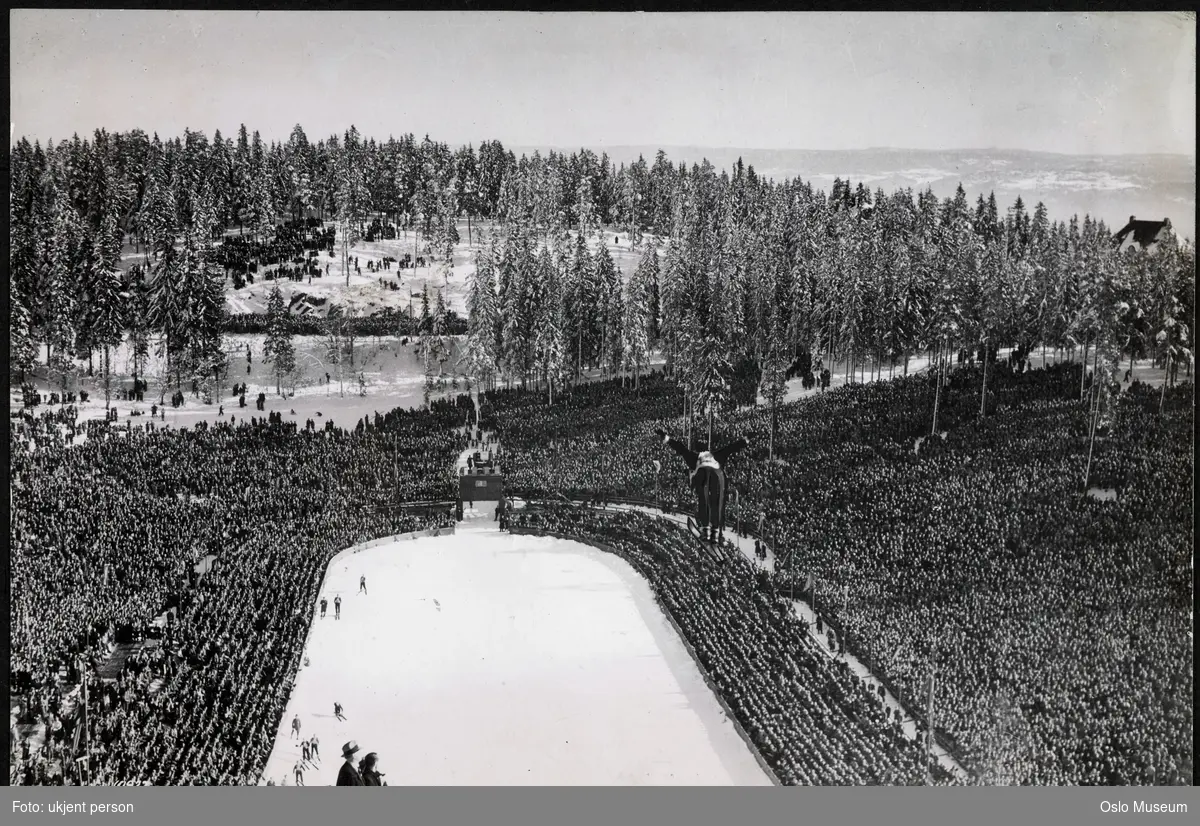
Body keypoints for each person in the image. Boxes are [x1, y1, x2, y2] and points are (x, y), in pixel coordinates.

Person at [656, 429, 749, 543]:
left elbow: (681, 448)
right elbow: (730, 448)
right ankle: (715, 532)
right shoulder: (715, 455)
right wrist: (746, 440)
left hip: (702, 474)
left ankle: (706, 530)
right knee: (715, 502)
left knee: (703, 501)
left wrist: (666, 438)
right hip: (717, 475)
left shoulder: (695, 456)